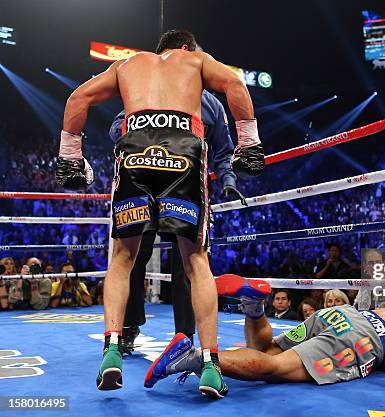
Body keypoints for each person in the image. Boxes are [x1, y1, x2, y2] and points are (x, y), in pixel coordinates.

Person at [56, 29, 263, 397]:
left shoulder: (128, 64)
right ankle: (211, 365)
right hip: (183, 148)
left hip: (135, 146)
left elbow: (79, 97)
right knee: (196, 260)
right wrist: (249, 142)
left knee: (122, 257)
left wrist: (71, 155)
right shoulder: (196, 60)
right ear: (185, 48)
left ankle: (112, 351)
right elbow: (234, 83)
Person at [144, 275, 385, 388]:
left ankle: (254, 307)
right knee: (276, 370)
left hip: (342, 315)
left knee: (268, 350)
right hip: (361, 339)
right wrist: (377, 358)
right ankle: (192, 357)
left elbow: (370, 313)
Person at [109, 88, 244, 355]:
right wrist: (144, 139)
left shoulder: (210, 104)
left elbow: (223, 150)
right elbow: (115, 128)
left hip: (186, 185)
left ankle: (185, 336)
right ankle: (128, 327)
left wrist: (228, 179)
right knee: (132, 257)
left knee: (190, 262)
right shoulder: (150, 86)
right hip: (144, 181)